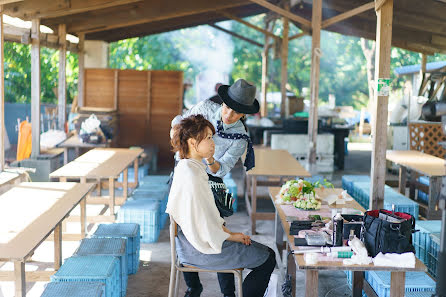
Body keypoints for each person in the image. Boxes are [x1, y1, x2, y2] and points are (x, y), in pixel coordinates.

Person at [167, 115, 276, 297]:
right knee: (267, 258)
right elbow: (205, 227)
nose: (213, 143)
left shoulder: (188, 167)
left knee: (265, 254)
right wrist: (232, 237)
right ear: (193, 143)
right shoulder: (192, 175)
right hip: (200, 249)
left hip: (191, 244)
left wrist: (230, 234)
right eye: (208, 138)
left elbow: (205, 221)